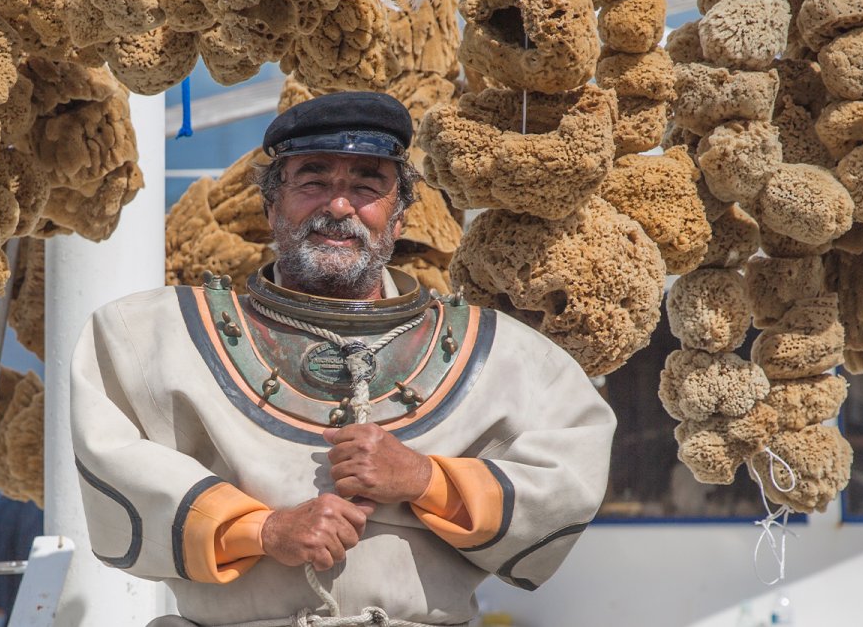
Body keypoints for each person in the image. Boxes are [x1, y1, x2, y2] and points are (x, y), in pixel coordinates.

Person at [70, 91, 616, 626]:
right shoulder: (155, 338)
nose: (338, 205)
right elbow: (115, 461)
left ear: (398, 217)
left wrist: (427, 479)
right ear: (270, 206)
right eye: (312, 180)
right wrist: (260, 531)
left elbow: (568, 480)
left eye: (366, 185)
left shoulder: (505, 358)